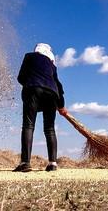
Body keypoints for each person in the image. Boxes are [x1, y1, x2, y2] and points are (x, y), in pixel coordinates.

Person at [13, 43, 67, 172]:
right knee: (50, 129)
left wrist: (30, 83)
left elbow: (21, 77)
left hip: (33, 89)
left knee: (28, 125)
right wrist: (61, 106)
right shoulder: (51, 65)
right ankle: (53, 163)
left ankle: (25, 163)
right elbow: (58, 85)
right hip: (52, 94)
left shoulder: (29, 56)